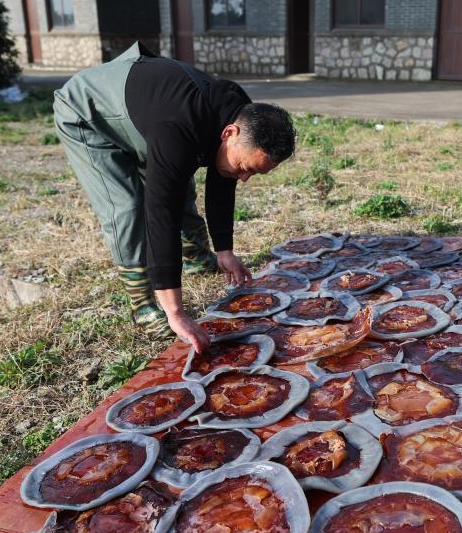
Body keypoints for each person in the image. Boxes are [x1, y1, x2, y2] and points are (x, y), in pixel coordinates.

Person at [53, 42, 295, 353]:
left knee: (181, 182)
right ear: (229, 133)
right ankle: (142, 303)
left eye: (255, 173)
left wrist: (224, 249)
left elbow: (224, 175)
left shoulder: (242, 114)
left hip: (147, 108)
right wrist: (175, 311)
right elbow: (161, 214)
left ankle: (196, 257)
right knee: (128, 207)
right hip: (87, 112)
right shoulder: (177, 129)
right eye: (247, 168)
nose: (245, 178)